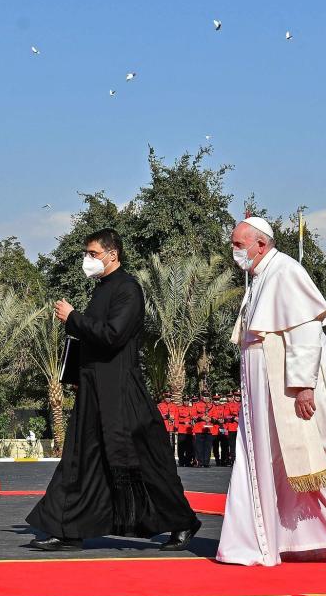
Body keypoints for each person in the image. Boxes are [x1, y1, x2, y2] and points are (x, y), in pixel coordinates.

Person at [217, 217, 326, 568]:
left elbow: (304, 334)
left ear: (261, 244)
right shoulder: (259, 278)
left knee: (319, 460)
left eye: (238, 244)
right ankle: (281, 539)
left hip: (291, 388)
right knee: (278, 467)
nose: (233, 250)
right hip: (264, 387)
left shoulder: (285, 271)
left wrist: (302, 388)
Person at [27, 228, 200, 552]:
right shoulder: (102, 289)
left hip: (121, 392)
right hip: (93, 389)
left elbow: (113, 335)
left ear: (112, 255)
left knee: (142, 460)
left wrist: (73, 318)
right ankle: (66, 528)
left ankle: (182, 522)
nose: (87, 260)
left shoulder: (128, 289)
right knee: (81, 458)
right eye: (87, 254)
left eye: (92, 254)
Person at [192, 393, 212, 468]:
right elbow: (193, 416)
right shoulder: (196, 405)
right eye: (204, 396)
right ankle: (199, 462)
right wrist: (201, 418)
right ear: (201, 397)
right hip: (199, 429)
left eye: (207, 396)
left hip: (209, 428)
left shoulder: (211, 405)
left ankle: (206, 462)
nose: (206, 398)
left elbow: (215, 415)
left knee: (208, 447)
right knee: (199, 447)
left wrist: (211, 419)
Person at [175, 398, 195, 467]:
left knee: (189, 447)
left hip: (189, 430)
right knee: (181, 447)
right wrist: (176, 428)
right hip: (181, 429)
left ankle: (188, 461)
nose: (186, 402)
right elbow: (176, 418)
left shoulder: (191, 408)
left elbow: (194, 417)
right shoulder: (179, 408)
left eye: (187, 401)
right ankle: (181, 461)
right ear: (183, 401)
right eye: (185, 401)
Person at [209, 396, 228, 466]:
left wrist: (223, 419)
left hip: (222, 428)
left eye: (217, 400)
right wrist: (215, 420)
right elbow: (209, 417)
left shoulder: (223, 407)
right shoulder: (211, 407)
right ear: (213, 400)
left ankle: (223, 461)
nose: (216, 401)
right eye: (215, 400)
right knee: (215, 446)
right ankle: (217, 460)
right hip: (214, 429)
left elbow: (226, 415)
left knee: (224, 446)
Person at [225, 392, 241, 466]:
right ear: (234, 396)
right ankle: (233, 460)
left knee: (241, 446)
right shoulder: (229, 405)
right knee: (232, 445)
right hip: (232, 428)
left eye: (239, 396)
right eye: (236, 396)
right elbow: (226, 416)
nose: (238, 397)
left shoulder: (243, 404)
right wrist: (234, 418)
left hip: (241, 429)